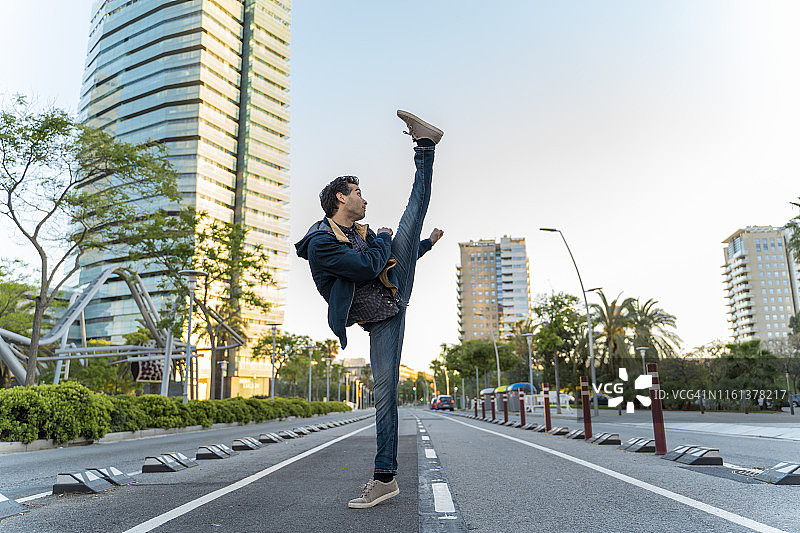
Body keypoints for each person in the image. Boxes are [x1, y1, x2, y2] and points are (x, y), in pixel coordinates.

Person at [295, 110, 444, 509]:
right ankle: (385, 478)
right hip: (381, 317)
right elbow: (365, 266)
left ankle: (425, 146)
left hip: (392, 289)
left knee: (413, 215)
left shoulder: (359, 232)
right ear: (341, 198)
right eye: (358, 193)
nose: (365, 199)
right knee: (383, 394)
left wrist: (422, 246)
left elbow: (384, 261)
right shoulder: (322, 243)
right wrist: (382, 239)